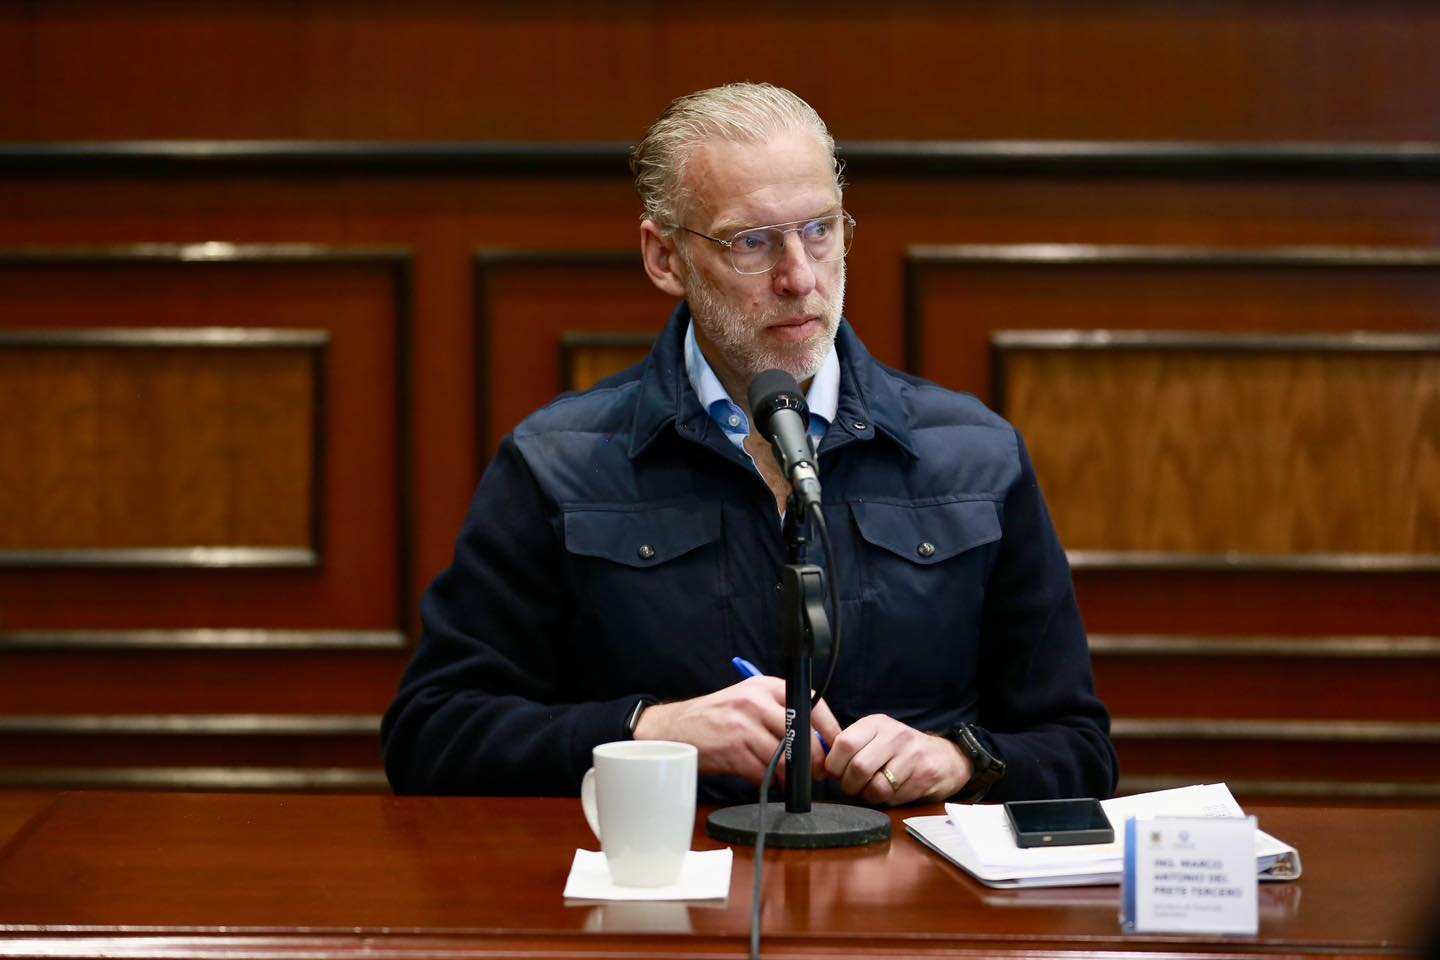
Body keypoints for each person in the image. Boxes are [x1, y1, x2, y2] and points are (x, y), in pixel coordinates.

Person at [382, 82, 1118, 806]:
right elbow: (431, 735)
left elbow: (1078, 748)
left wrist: (962, 758)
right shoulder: (557, 463)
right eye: (752, 243)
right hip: (668, 876)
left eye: (820, 230)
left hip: (904, 876)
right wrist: (650, 731)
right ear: (665, 257)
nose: (799, 277)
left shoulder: (976, 456)